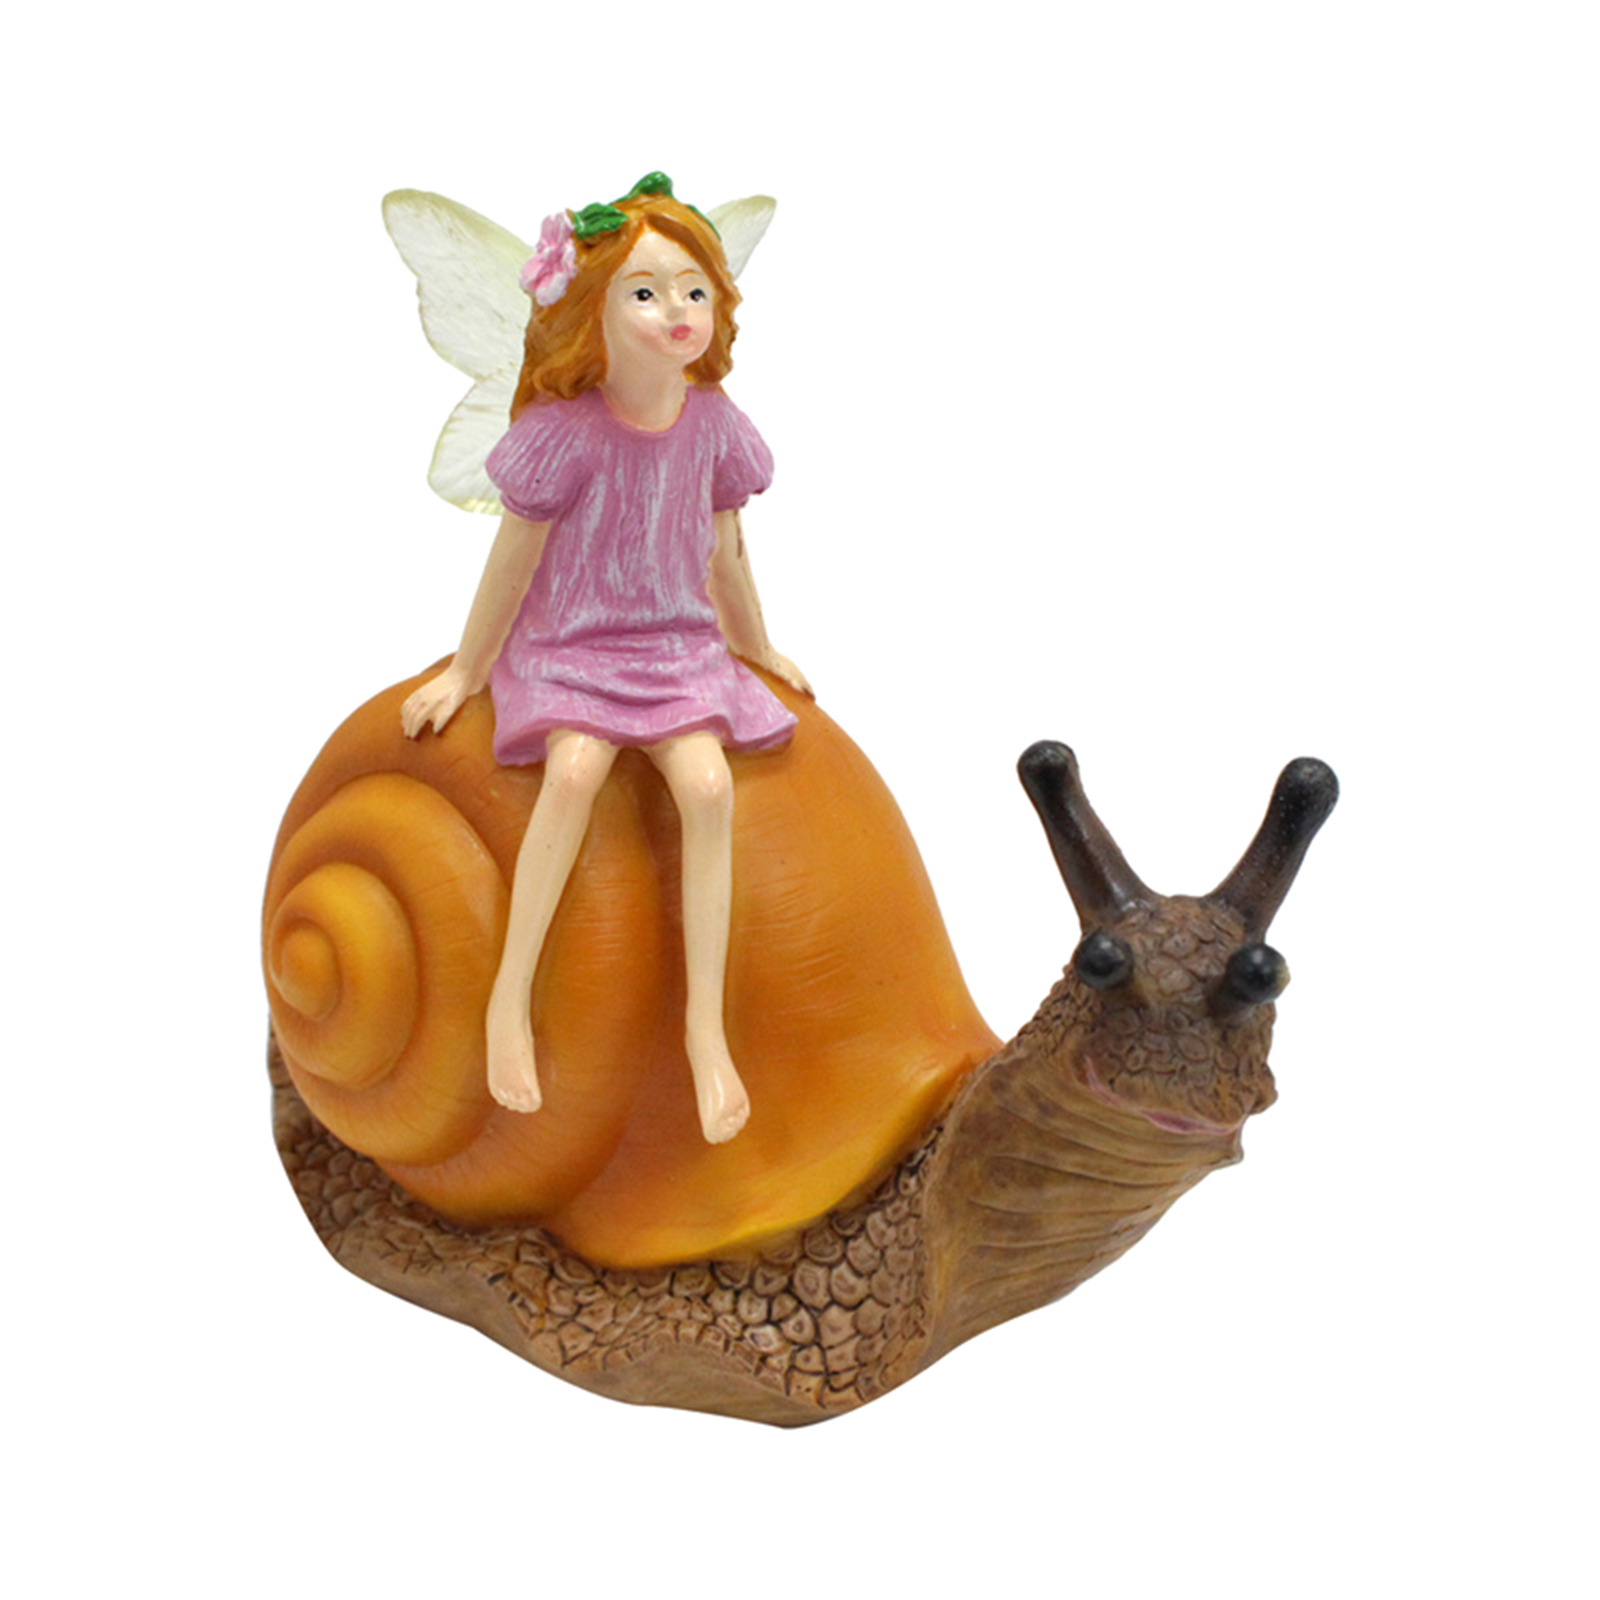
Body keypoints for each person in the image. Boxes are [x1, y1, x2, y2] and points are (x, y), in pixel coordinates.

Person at [400, 173, 807, 1145]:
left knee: (707, 786)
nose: (676, 311)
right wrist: (465, 670)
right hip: (572, 644)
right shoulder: (563, 435)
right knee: (575, 770)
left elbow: (727, 552)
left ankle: (705, 1033)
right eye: (647, 291)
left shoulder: (714, 426)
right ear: (593, 308)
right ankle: (509, 1002)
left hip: (676, 646)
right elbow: (512, 563)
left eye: (694, 290)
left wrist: (754, 645)